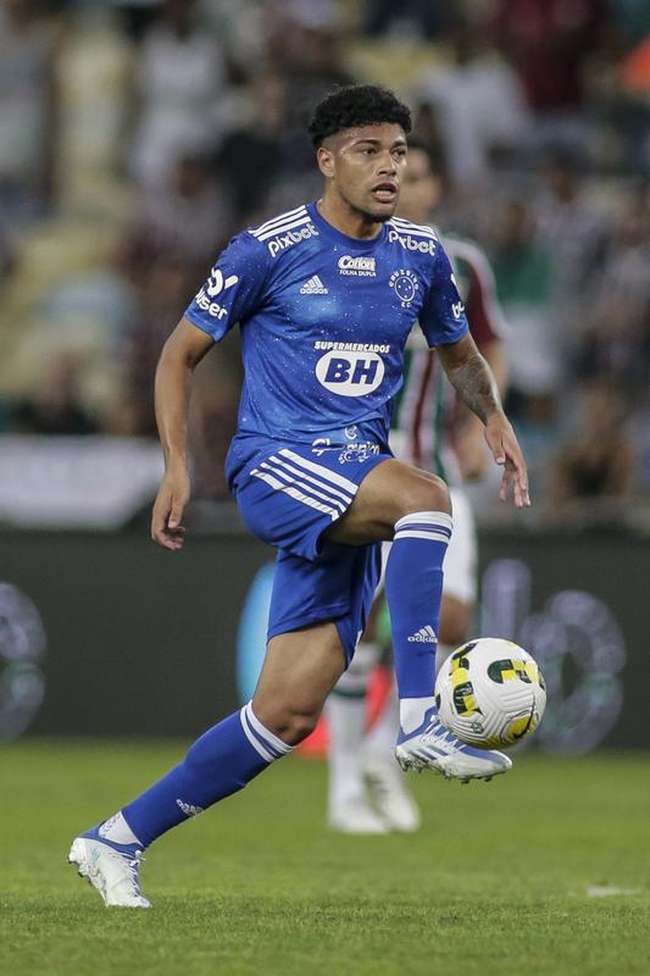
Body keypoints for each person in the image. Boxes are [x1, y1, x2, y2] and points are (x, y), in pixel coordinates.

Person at [68, 85, 529, 908]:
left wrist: (493, 421)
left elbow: (459, 352)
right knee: (426, 500)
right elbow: (178, 356)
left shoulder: (421, 258)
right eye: (369, 151)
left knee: (283, 716)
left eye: (397, 152)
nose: (388, 168)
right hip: (278, 463)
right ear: (327, 160)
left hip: (353, 472)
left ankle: (115, 839)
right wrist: (177, 466)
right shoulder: (267, 249)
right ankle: (421, 718)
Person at [326, 139, 509, 834]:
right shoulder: (350, 260)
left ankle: (383, 749)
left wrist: (483, 419)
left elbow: (490, 350)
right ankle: (344, 789)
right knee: (364, 627)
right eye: (399, 172)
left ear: (436, 188)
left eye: (421, 173)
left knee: (453, 619)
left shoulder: (462, 266)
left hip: (435, 471)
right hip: (366, 475)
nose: (408, 182)